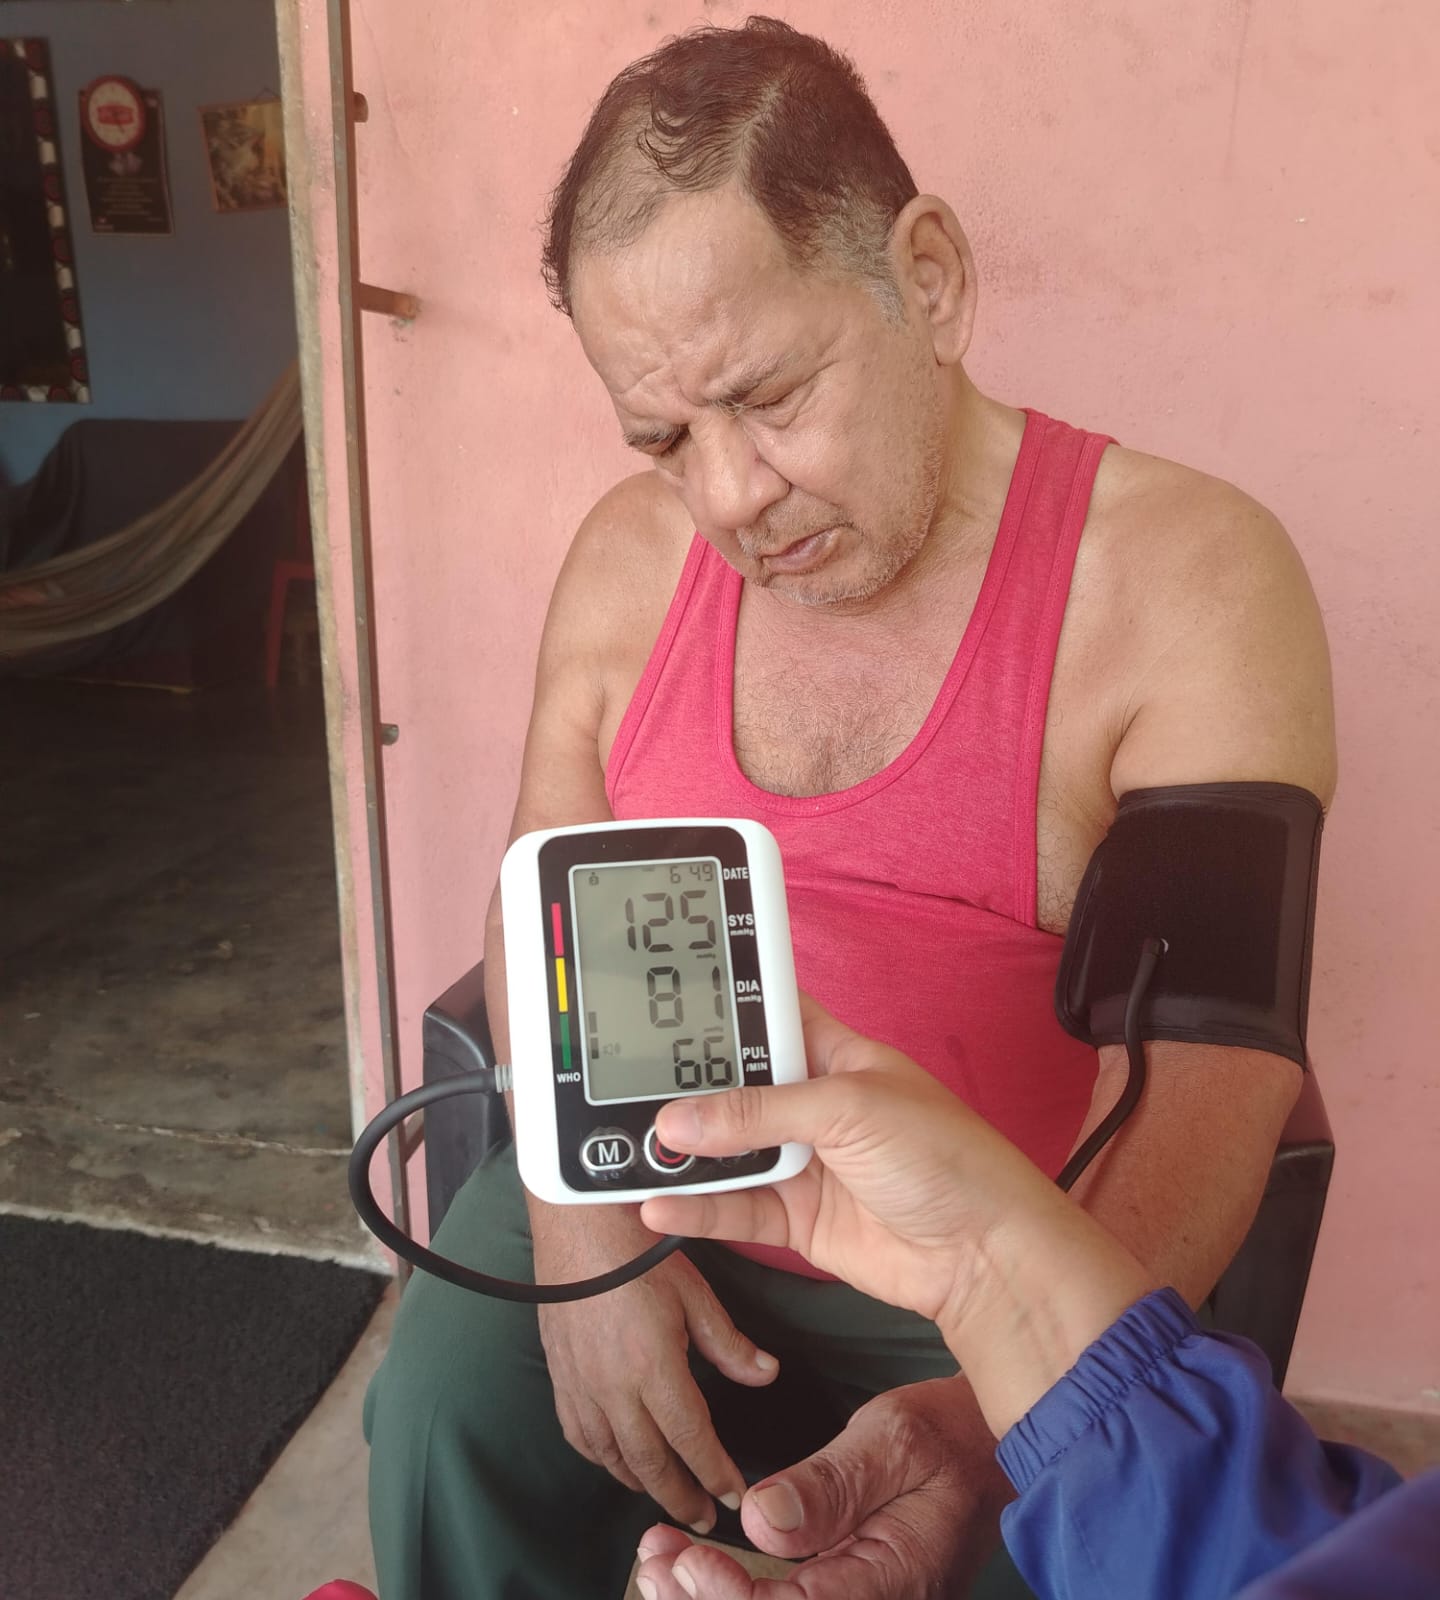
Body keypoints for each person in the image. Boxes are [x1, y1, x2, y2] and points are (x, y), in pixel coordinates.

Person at [362, 17, 1337, 1599]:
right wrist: (583, 1240)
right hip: (648, 1190)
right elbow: (539, 906)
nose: (728, 495)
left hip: (990, 1247)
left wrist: (1000, 1401)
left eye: (769, 395)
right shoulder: (627, 561)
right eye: (665, 437)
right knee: (443, 1411)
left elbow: (1213, 1076)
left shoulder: (1188, 577)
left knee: (1054, 1532)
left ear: (928, 281)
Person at [628, 997, 1440, 1600]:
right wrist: (585, 1242)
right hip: (944, 1270)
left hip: (1003, 1290)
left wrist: (990, 1357)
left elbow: (1221, 1028)